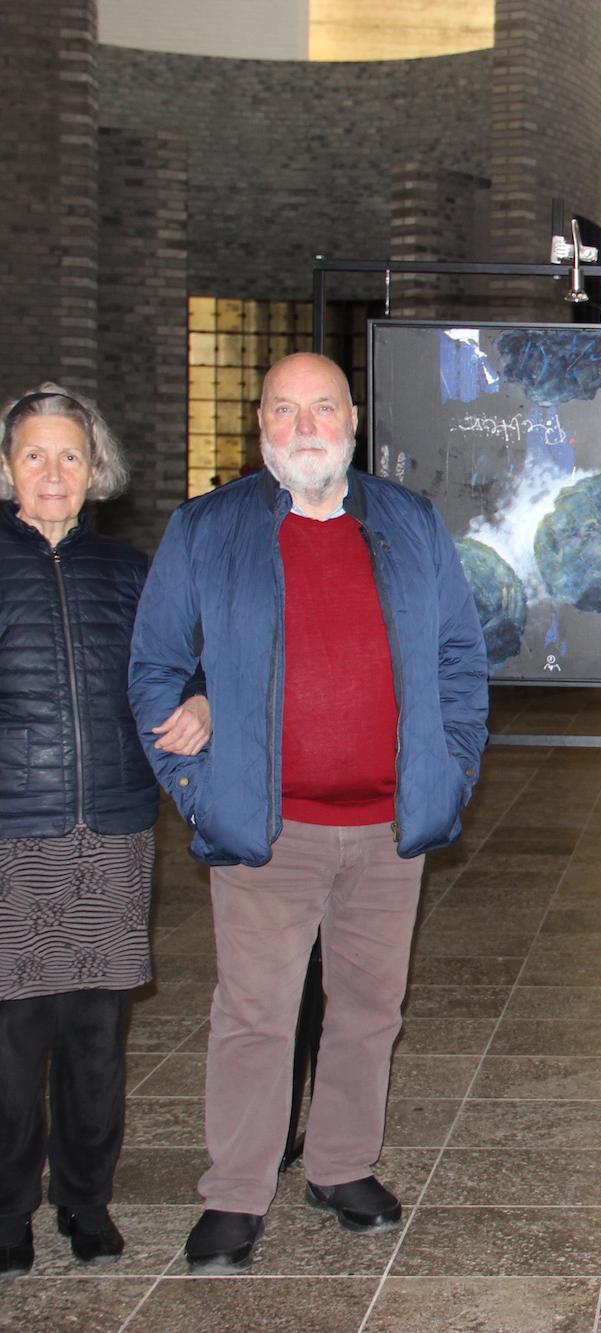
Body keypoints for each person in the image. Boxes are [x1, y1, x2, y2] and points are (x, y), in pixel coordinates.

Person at [129, 352, 489, 1271]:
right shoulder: (206, 529)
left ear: (352, 421)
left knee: (370, 1007)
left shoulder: (407, 522)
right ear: (260, 428)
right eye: (283, 412)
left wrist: (449, 771)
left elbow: (458, 660)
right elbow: (156, 670)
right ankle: (235, 1195)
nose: (303, 428)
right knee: (255, 1014)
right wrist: (199, 786)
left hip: (386, 826)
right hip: (267, 828)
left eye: (320, 408)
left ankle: (339, 1165)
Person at [0, 386, 209, 1280]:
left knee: (95, 1034)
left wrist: (200, 700)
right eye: (35, 455)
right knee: (12, 1039)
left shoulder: (130, 572)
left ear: (98, 469)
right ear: (8, 466)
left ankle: (86, 1200)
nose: (54, 474)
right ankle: (7, 1211)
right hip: (12, 832)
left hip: (111, 832)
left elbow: (183, 666)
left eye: (71, 456)